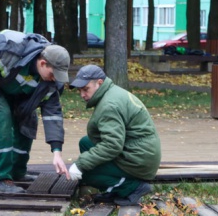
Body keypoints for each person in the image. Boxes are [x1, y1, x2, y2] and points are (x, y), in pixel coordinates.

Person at [0, 30, 71, 193]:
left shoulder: (52, 83)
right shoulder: (10, 48)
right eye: (53, 73)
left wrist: (57, 152)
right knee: (2, 118)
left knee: (28, 121)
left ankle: (17, 172)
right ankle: (0, 180)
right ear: (42, 63)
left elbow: (53, 116)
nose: (55, 78)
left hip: (20, 95)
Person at [66, 65, 161, 205]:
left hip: (138, 160)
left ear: (99, 82)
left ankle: (133, 187)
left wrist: (80, 164)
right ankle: (115, 188)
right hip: (141, 152)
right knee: (85, 142)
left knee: (87, 174)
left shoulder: (109, 105)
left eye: (86, 89)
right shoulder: (112, 92)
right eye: (80, 91)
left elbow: (112, 146)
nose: (82, 95)